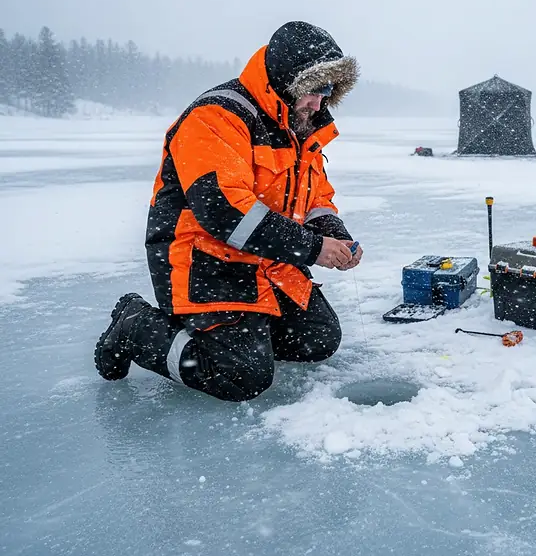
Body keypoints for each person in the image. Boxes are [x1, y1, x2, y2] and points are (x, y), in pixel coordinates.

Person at [94, 21, 362, 402]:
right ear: (289, 79)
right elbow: (225, 213)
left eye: (329, 92)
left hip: (265, 260)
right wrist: (314, 249)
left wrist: (334, 235)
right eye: (316, 90)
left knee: (317, 338)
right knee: (240, 376)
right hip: (203, 261)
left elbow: (315, 197)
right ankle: (135, 326)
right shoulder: (216, 117)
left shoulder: (298, 126)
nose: (320, 103)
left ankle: (246, 328)